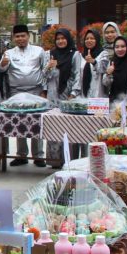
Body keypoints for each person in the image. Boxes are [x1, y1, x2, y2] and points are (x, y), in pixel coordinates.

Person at [0, 24, 49, 167]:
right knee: (19, 122)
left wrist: (44, 91)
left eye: (23, 36)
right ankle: (21, 155)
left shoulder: (39, 51)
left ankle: (38, 156)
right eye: (17, 36)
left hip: (35, 91)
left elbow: (45, 71)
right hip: (16, 92)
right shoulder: (9, 53)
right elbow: (1, 69)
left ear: (28, 36)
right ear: (13, 38)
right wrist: (3, 63)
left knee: (36, 123)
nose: (20, 38)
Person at [45, 28, 82, 166]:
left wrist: (74, 93)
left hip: (68, 94)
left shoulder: (75, 54)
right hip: (52, 95)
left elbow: (77, 74)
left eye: (63, 38)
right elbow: (44, 76)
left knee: (68, 127)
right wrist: (49, 67)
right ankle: (54, 160)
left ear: (68, 39)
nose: (60, 41)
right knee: (53, 126)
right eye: (58, 39)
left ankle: (69, 161)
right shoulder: (50, 54)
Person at [103, 36, 127, 102]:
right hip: (114, 103)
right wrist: (108, 74)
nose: (120, 49)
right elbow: (106, 84)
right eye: (117, 47)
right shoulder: (112, 63)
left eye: (123, 46)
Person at [79, 29, 103, 98]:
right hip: (82, 96)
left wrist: (94, 62)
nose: (89, 40)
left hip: (98, 96)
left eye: (92, 38)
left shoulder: (103, 54)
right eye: (87, 39)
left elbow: (103, 70)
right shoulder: (80, 56)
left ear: (97, 40)